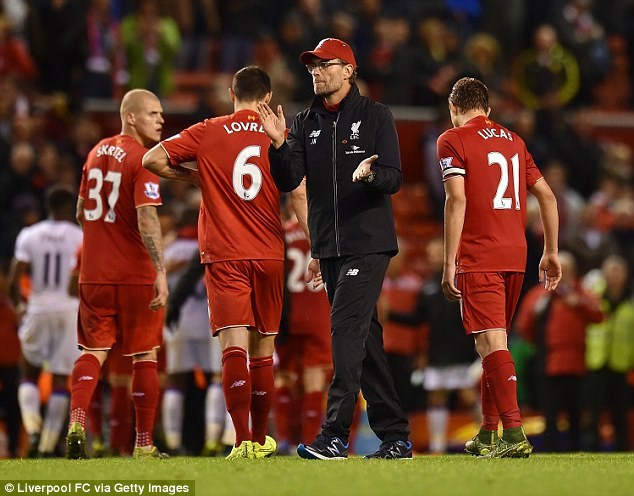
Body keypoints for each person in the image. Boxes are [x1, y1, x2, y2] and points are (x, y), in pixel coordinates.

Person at [257, 37, 412, 460]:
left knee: (344, 331)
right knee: (366, 341)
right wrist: (276, 144)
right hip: (329, 248)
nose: (317, 72)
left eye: (325, 65)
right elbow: (290, 179)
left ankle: (333, 434)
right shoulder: (305, 122)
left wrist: (369, 176)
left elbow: (394, 178)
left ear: (348, 70)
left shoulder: (376, 116)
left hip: (368, 243)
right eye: (312, 67)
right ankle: (395, 436)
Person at [143, 66, 292, 460]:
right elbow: (298, 186)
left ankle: (241, 440)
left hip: (225, 253)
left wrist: (195, 178)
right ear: (267, 96)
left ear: (231, 92)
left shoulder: (208, 130)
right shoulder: (279, 136)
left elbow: (152, 160)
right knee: (264, 351)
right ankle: (260, 442)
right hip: (270, 252)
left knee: (233, 349)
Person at [439, 77, 562, 458]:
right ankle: (488, 433)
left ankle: (513, 432)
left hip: (479, 255)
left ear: (454, 108)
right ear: (488, 110)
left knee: (489, 343)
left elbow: (456, 200)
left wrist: (448, 262)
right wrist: (551, 251)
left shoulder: (452, 139)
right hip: (516, 254)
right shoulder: (514, 141)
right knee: (495, 344)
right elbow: (547, 194)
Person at [65, 89, 168, 460]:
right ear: (130, 117)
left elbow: (80, 212)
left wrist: (101, 241)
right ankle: (143, 445)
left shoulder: (94, 154)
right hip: (135, 273)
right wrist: (160, 271)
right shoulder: (143, 159)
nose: (160, 120)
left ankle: (77, 419)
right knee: (145, 354)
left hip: (93, 273)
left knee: (93, 350)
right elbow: (146, 216)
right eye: (153, 113)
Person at [385, 236, 480, 454]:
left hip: (461, 349)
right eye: (431, 255)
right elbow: (418, 319)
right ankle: (438, 445)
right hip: (437, 351)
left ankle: (489, 436)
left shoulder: (462, 282)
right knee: (436, 396)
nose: (434, 258)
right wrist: (391, 315)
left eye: (438, 253)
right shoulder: (428, 286)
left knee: (467, 394)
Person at [8, 186, 83, 457]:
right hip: (68, 309)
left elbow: (16, 275)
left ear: (47, 206)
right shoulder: (80, 235)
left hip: (38, 308)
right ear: (71, 206)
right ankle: (49, 446)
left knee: (28, 373)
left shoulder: (30, 234)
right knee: (62, 379)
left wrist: (18, 305)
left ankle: (33, 429)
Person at [514, 251, 603, 452]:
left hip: (576, 362)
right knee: (550, 413)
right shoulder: (540, 295)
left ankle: (576, 450)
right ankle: (551, 450)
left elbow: (599, 314)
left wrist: (579, 303)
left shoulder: (581, 294)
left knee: (576, 413)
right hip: (548, 362)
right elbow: (524, 325)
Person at [274, 194, 333, 455]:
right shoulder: (326, 232)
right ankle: (309, 440)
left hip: (284, 313)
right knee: (314, 379)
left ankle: (285, 439)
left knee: (283, 375)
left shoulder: (279, 233)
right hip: (318, 313)